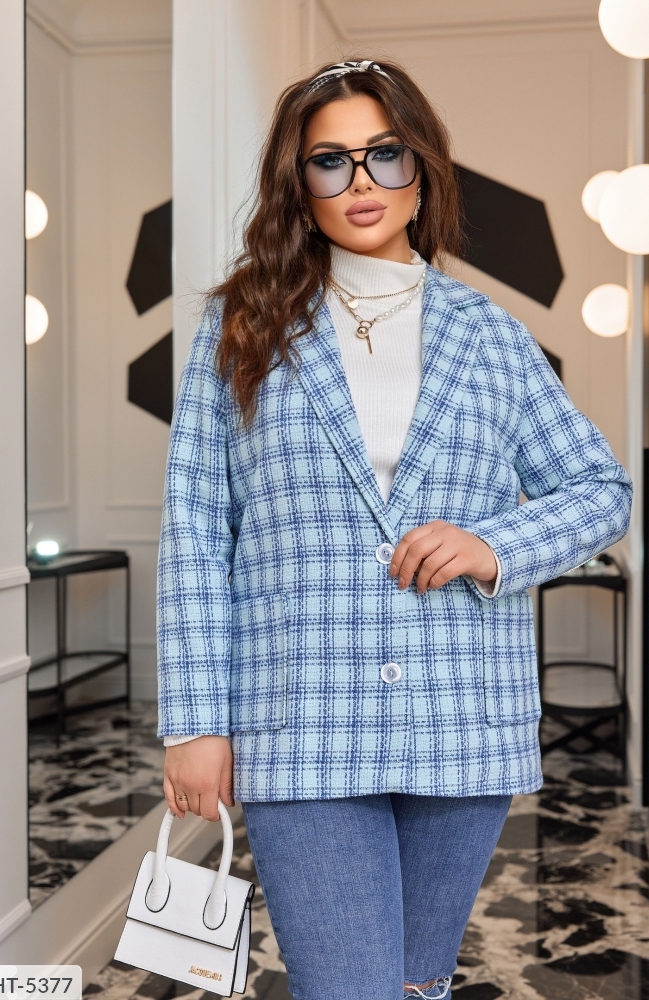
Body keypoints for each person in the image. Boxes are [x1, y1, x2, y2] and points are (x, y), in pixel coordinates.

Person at [157, 60, 631, 1000]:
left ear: (422, 170)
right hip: (301, 718)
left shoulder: (488, 335)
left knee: (417, 986)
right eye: (329, 161)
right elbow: (197, 528)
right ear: (299, 184)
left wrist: (494, 546)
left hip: (461, 715)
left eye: (384, 154)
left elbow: (600, 488)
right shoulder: (243, 327)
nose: (361, 181)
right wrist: (195, 720)